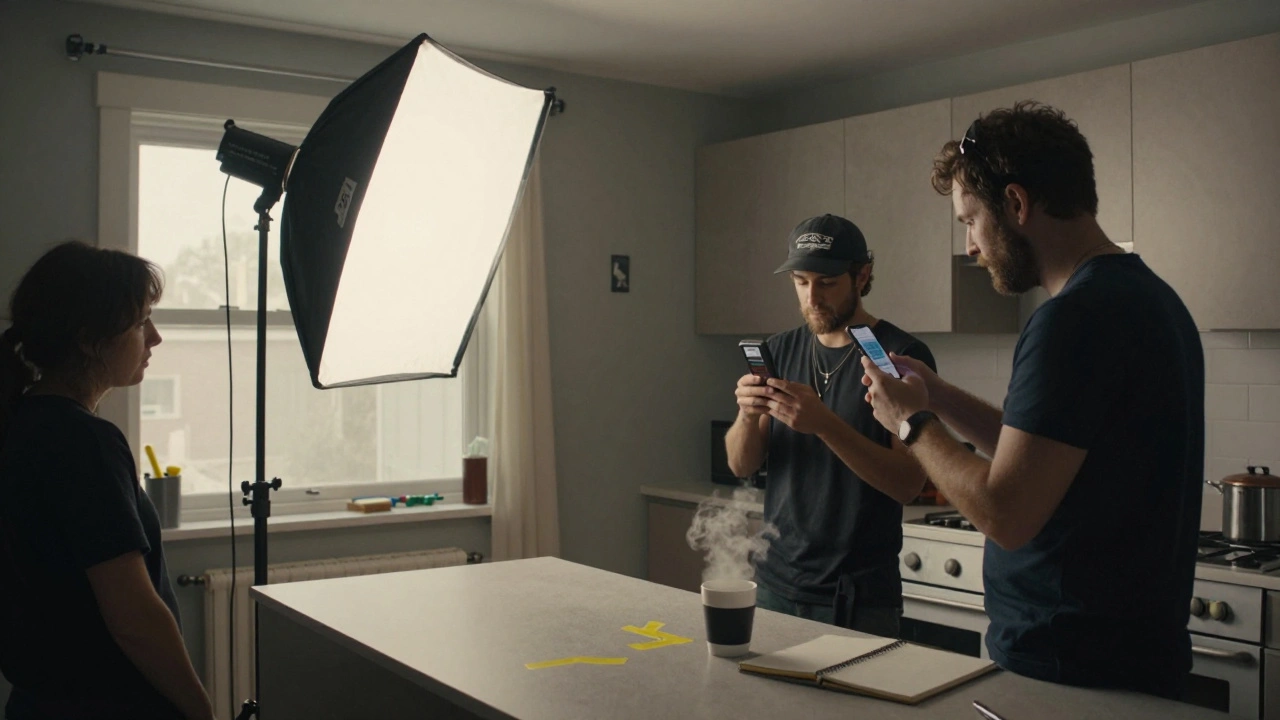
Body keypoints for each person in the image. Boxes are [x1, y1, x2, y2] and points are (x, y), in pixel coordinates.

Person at [860, 101, 1203, 698]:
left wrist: (910, 422)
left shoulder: (1070, 321)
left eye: (971, 220)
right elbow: (1050, 458)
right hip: (1130, 662)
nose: (970, 246)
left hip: (1069, 671)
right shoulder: (1150, 298)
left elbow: (1007, 514)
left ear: (1016, 205)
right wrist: (938, 396)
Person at [0, 241, 214, 720]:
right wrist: (202, 710)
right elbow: (134, 617)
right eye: (141, 323)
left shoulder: (22, 423)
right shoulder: (84, 442)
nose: (154, 338)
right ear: (89, 339)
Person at [726, 214, 936, 638]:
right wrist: (748, 416)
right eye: (801, 282)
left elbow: (908, 483)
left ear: (862, 276)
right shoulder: (779, 350)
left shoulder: (897, 357)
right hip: (775, 585)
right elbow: (740, 465)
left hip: (857, 597)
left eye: (826, 282)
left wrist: (825, 425)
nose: (811, 297)